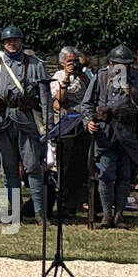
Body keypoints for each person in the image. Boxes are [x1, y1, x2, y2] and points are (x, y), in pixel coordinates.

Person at [0, 25, 52, 224]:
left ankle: (39, 212)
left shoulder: (35, 64)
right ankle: (15, 211)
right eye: (7, 41)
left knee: (32, 167)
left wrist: (48, 124)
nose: (11, 43)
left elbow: (45, 97)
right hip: (2, 121)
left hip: (27, 120)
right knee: (9, 168)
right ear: (3, 43)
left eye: (15, 40)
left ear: (21, 42)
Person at [81, 46, 138, 228]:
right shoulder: (100, 78)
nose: (122, 68)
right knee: (105, 174)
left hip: (128, 136)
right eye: (118, 64)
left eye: (125, 65)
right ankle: (107, 214)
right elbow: (86, 104)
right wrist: (89, 121)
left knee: (125, 177)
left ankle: (119, 214)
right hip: (105, 134)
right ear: (111, 63)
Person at [51, 47, 92, 215]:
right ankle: (63, 203)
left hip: (83, 123)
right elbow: (60, 99)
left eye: (76, 61)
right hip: (66, 123)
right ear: (62, 63)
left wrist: (81, 75)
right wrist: (67, 78)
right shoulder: (58, 77)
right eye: (70, 62)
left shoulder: (86, 75)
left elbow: (92, 91)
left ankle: (77, 201)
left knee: (81, 164)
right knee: (65, 164)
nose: (74, 65)